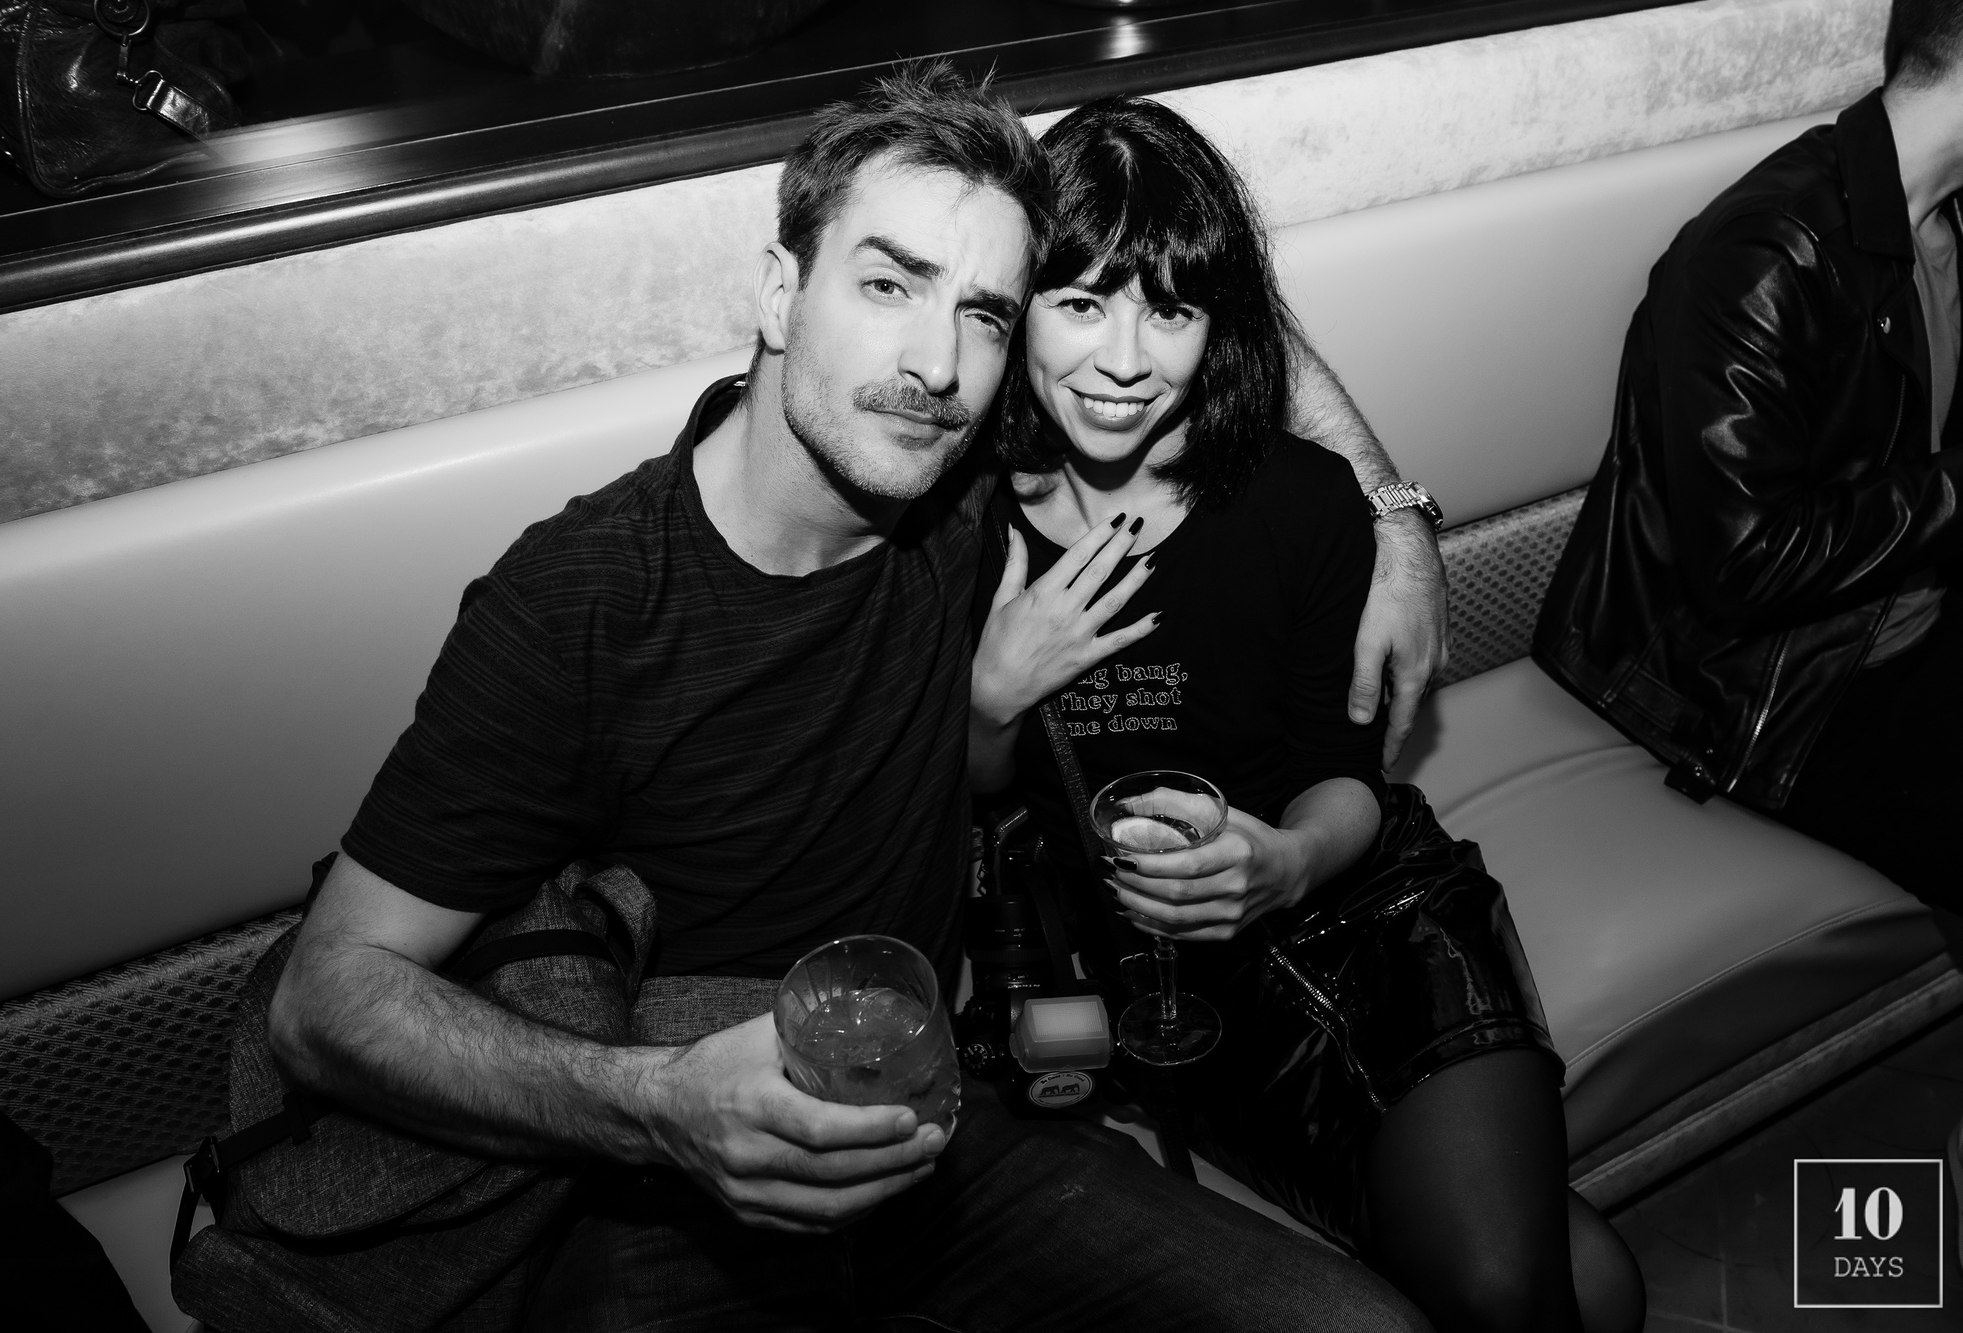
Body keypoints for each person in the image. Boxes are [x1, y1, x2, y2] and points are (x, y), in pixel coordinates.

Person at [260, 64, 1435, 1331]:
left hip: (949, 1132)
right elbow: (324, 1001)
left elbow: (1190, 300)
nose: (934, 362)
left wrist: (1396, 516)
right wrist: (656, 1106)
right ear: (779, 292)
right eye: (887, 285)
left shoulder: (962, 488)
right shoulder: (580, 607)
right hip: (675, 1181)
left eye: (983, 314)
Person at [968, 97, 1645, 1333]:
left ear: (1216, 325)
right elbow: (969, 796)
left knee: (1527, 1287)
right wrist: (993, 694)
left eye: (1169, 311)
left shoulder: (1300, 502)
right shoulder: (968, 533)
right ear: (1017, 309)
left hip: (1369, 914)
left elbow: (1348, 774)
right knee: (1580, 1287)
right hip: (1174, 988)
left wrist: (1283, 859)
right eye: (1079, 303)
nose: (1122, 360)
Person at [1532, 0, 1963, 1254]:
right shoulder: (1761, 249)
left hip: (1902, 613)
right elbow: (1742, 563)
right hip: (1758, 680)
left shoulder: (1940, 218)